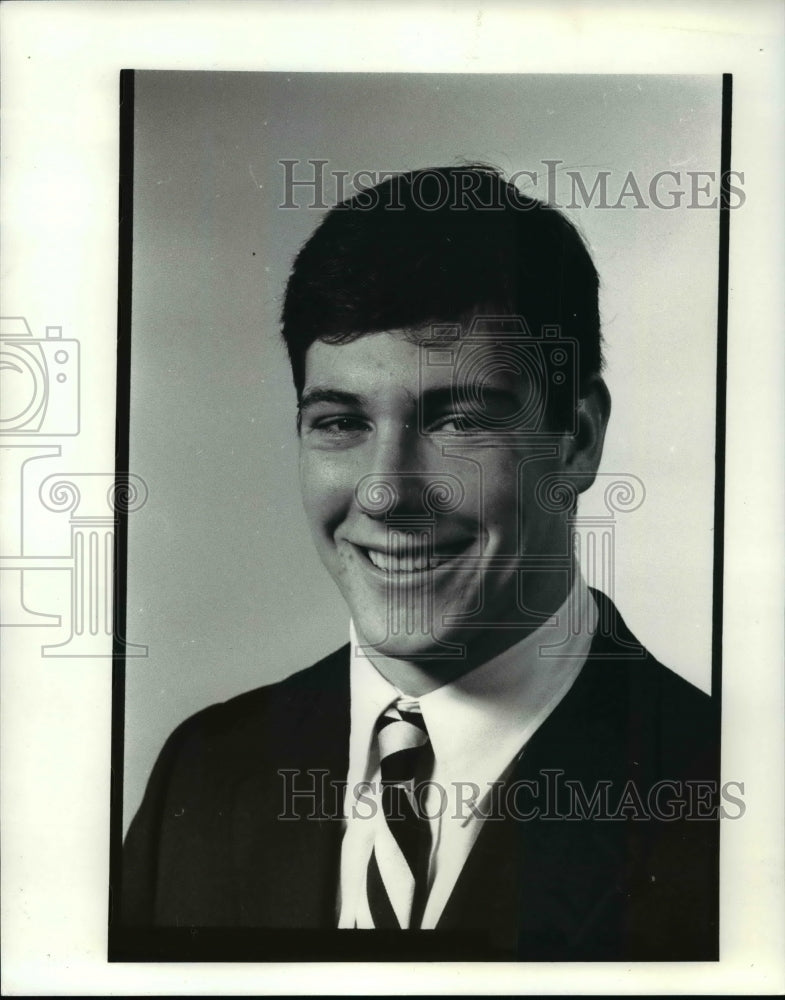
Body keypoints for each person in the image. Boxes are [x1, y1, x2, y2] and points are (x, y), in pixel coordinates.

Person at [116, 166, 719, 961]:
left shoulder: (718, 791)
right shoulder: (207, 770)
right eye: (339, 422)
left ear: (575, 440)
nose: (383, 491)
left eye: (458, 420)